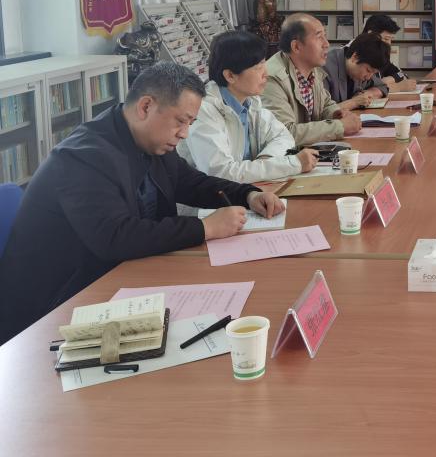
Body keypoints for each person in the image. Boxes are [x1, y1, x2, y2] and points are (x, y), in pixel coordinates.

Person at [0, 62, 285, 344]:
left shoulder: (149, 140)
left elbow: (190, 182)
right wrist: (205, 228)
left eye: (190, 123)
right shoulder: (83, 156)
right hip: (50, 314)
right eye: (180, 121)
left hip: (115, 282)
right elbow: (115, 237)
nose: (184, 133)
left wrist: (248, 195)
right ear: (146, 106)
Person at [178, 30, 319, 182]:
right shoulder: (203, 111)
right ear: (230, 76)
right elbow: (221, 173)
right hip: (213, 196)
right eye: (258, 67)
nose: (265, 74)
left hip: (246, 190)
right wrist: (292, 164)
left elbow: (283, 136)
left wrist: (266, 162)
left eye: (264, 63)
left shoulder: (250, 102)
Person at [262, 13, 361, 144]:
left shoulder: (313, 70)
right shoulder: (272, 78)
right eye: (319, 37)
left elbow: (325, 104)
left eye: (325, 36)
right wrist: (339, 126)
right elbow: (284, 133)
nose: (326, 44)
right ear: (296, 46)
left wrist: (337, 113)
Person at [323, 31, 392, 106]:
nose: (368, 77)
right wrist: (354, 102)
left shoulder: (364, 67)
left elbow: (382, 87)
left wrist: (369, 94)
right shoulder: (325, 67)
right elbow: (321, 111)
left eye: (373, 73)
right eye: (368, 70)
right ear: (355, 57)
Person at [361, 13, 417, 93]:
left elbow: (401, 74)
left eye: (391, 39)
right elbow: (363, 90)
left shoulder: (380, 54)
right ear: (370, 35)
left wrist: (390, 79)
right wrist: (398, 87)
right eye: (386, 39)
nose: (389, 44)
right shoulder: (357, 54)